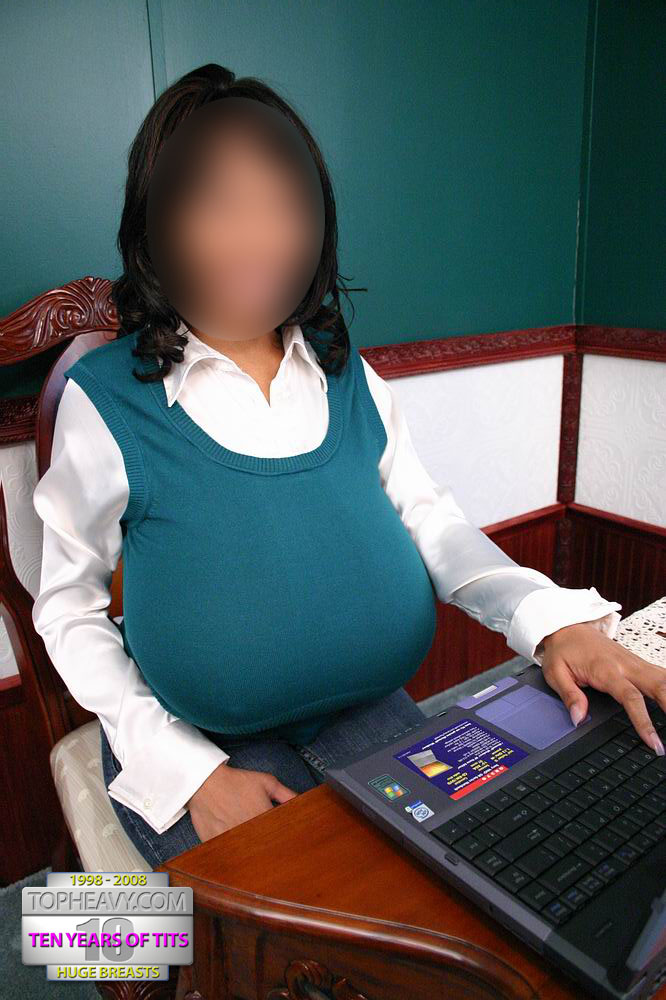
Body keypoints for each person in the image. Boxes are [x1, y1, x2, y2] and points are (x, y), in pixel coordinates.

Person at [32, 63, 662, 872]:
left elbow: (428, 519)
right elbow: (68, 608)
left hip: (365, 710)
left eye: (284, 204)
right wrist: (190, 774)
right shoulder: (106, 399)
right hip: (202, 740)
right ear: (159, 224)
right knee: (272, 925)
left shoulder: (344, 371)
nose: (259, 236)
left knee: (479, 879)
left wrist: (551, 623)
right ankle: (97, 921)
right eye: (220, 204)